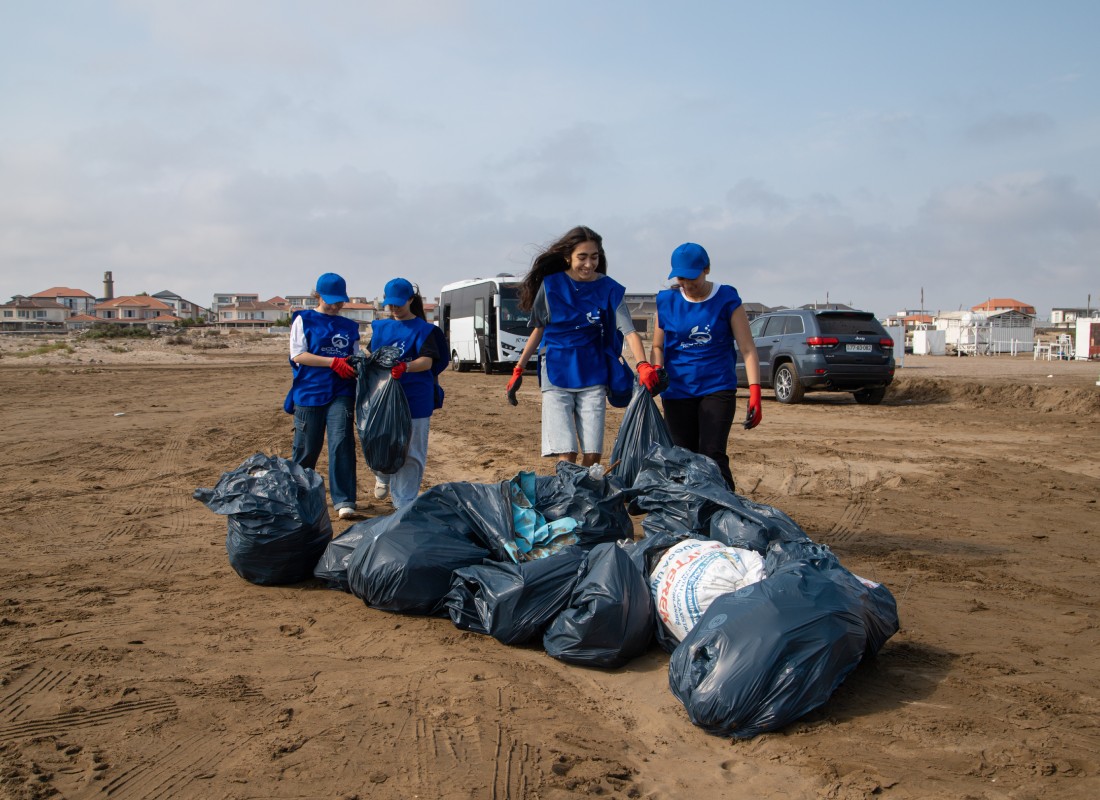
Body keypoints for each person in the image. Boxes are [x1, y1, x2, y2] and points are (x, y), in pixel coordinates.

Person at [507, 225, 651, 467]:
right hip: (556, 371)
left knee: (593, 453)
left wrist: (643, 364)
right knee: (567, 451)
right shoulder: (551, 286)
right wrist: (519, 369)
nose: (589, 264)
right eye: (582, 257)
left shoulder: (609, 289)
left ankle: (583, 496)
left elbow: (629, 332)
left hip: (594, 372)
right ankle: (569, 499)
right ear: (568, 257)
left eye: (594, 257)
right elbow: (539, 329)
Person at [648, 242, 762, 492]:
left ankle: (725, 512)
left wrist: (755, 391)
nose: (687, 284)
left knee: (712, 454)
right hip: (677, 390)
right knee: (681, 456)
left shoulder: (726, 298)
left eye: (692, 278)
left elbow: (747, 349)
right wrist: (656, 370)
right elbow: (658, 346)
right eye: (681, 278)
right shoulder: (666, 301)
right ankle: (686, 516)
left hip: (716, 387)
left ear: (706, 269)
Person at [285, 272, 360, 519]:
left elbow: (355, 355)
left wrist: (356, 364)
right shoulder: (303, 320)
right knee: (307, 446)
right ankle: (300, 494)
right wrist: (332, 362)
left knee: (341, 442)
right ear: (317, 295)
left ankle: (344, 499)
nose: (336, 305)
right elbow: (298, 355)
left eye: (340, 301)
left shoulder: (350, 327)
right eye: (331, 300)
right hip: (309, 391)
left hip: (341, 391)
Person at [368, 278, 448, 510]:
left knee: (412, 452)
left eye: (399, 304)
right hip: (383, 398)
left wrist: (406, 366)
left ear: (411, 300)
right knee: (379, 443)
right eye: (390, 305)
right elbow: (372, 355)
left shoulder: (426, 331)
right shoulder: (380, 328)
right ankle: (382, 474)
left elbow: (427, 361)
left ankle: (404, 504)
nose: (394, 309)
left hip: (415, 398)